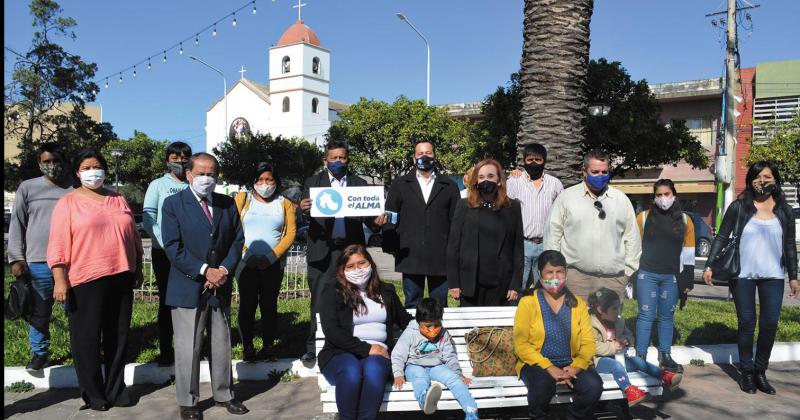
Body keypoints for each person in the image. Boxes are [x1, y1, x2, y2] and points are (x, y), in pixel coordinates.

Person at [47, 148, 143, 411]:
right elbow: (57, 242)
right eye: (86, 167)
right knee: (87, 339)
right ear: (77, 173)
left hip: (121, 275)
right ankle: (94, 394)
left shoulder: (118, 198)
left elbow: (132, 235)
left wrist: (138, 267)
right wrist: (60, 279)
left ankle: (115, 390)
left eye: (96, 166)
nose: (92, 172)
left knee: (118, 336)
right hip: (85, 279)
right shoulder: (68, 202)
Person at [161, 152, 248, 419]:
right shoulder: (173, 204)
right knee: (189, 346)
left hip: (219, 284)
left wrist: (222, 270)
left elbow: (237, 240)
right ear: (189, 174)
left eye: (212, 174)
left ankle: (224, 394)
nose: (206, 179)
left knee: (221, 343)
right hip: (188, 285)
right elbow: (172, 247)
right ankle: (188, 401)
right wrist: (204, 271)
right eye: (201, 173)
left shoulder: (226, 203)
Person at [703, 161, 798, 395]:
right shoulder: (739, 207)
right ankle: (746, 372)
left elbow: (789, 246)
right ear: (750, 180)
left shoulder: (784, 211)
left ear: (775, 179)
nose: (762, 181)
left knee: (769, 325)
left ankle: (760, 371)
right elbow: (722, 236)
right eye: (757, 177)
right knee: (747, 324)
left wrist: (794, 276)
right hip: (742, 274)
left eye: (767, 176)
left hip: (774, 275)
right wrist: (709, 265)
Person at [298, 140, 388, 362]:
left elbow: (369, 218)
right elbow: (304, 214)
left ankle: (351, 342)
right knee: (319, 300)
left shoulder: (359, 184)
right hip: (323, 251)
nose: (338, 161)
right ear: (325, 160)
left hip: (351, 252)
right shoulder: (313, 182)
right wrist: (303, 210)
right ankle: (314, 345)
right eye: (334, 158)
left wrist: (377, 221)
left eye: (342, 158)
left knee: (353, 298)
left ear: (348, 159)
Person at [318, 245, 413, 420]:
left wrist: (430, 329)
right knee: (351, 370)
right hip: (340, 353)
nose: (358, 270)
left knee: (373, 369)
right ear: (342, 270)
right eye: (351, 266)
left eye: (362, 263)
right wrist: (366, 348)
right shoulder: (332, 291)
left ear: (370, 263)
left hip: (379, 355)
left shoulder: (386, 291)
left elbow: (405, 320)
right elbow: (332, 331)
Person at [513, 250, 603, 420]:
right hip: (536, 363)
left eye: (559, 271)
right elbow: (521, 344)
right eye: (549, 272)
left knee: (593, 386)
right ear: (540, 274)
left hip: (571, 362)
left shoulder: (578, 304)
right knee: (542, 385)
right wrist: (549, 367)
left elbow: (588, 342)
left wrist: (576, 366)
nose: (555, 276)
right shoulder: (528, 302)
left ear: (566, 273)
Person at [7, 144, 73, 372]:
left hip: (71, 263)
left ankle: (81, 350)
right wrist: (16, 258)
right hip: (37, 262)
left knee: (76, 309)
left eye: (56, 160)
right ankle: (39, 353)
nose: (51, 165)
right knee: (39, 312)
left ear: (65, 162)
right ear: (39, 164)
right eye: (46, 161)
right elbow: (17, 224)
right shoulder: (28, 188)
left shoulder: (75, 188)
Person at [544, 149, 641, 301]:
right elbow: (552, 235)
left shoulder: (621, 200)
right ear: (584, 171)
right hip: (576, 279)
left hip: (613, 280)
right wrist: (557, 270)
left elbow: (632, 238)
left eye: (604, 172)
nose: (600, 176)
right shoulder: (566, 198)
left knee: (608, 325)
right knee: (575, 324)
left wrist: (627, 273)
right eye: (595, 172)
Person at [383, 139, 461, 309]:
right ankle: (413, 335)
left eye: (428, 153)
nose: (424, 157)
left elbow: (456, 222)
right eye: (420, 154)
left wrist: (455, 251)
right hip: (409, 253)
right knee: (412, 303)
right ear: (413, 158)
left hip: (440, 256)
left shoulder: (449, 185)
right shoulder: (400, 184)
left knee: (439, 305)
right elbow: (390, 216)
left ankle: (439, 336)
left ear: (435, 156)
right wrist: (390, 242)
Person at [234, 162, 297, 362]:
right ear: (254, 182)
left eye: (269, 179)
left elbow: (290, 233)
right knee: (247, 305)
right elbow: (234, 229)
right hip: (246, 263)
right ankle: (248, 347)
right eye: (260, 180)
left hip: (273, 265)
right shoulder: (242, 199)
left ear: (276, 182)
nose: (265, 184)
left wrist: (271, 257)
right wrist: (247, 255)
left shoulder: (284, 203)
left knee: (269, 306)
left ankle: (269, 346)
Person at [635, 179, 696, 373]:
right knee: (645, 316)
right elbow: (634, 248)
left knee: (666, 317)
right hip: (647, 275)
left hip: (671, 278)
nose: (663, 199)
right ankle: (640, 356)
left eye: (667, 194)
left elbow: (689, 252)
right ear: (654, 198)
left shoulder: (686, 220)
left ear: (674, 196)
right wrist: (632, 276)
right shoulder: (643, 218)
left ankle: (665, 355)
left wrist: (687, 279)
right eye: (659, 195)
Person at [588, 287, 682, 408]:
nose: (618, 311)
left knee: (637, 361)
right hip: (597, 361)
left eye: (619, 307)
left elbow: (629, 335)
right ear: (601, 310)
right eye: (614, 308)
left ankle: (665, 376)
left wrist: (626, 340)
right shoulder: (591, 324)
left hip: (619, 357)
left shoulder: (618, 322)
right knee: (615, 365)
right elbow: (591, 346)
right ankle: (630, 391)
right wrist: (612, 346)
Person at [142, 141, 192, 366]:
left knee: (190, 300)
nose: (180, 162)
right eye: (175, 158)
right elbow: (149, 218)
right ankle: (165, 348)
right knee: (167, 301)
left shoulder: (193, 183)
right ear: (167, 161)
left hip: (191, 254)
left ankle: (190, 346)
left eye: (184, 157)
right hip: (165, 253)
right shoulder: (158, 185)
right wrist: (167, 245)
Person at [447, 159, 523, 306]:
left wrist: (515, 284)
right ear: (475, 181)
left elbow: (517, 249)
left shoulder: (513, 207)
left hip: (501, 284)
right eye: (481, 177)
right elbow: (453, 247)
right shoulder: (464, 206)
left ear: (499, 180)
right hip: (470, 283)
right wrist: (453, 282)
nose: (485, 181)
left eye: (490, 176)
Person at [391, 298, 478, 418]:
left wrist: (458, 373)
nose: (432, 329)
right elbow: (398, 354)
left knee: (454, 379)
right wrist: (398, 374)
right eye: (428, 326)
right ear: (418, 322)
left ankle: (471, 410)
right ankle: (425, 400)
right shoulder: (410, 332)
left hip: (437, 366)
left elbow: (449, 355)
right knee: (420, 377)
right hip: (414, 366)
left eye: (436, 325)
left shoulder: (443, 333)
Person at [507, 143, 564, 288]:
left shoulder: (555, 184)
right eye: (530, 160)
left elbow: (563, 213)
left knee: (547, 287)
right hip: (522, 244)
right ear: (524, 160)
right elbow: (505, 210)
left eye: (537, 160)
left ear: (544, 161)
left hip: (546, 244)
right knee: (518, 286)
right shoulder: (514, 182)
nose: (533, 163)